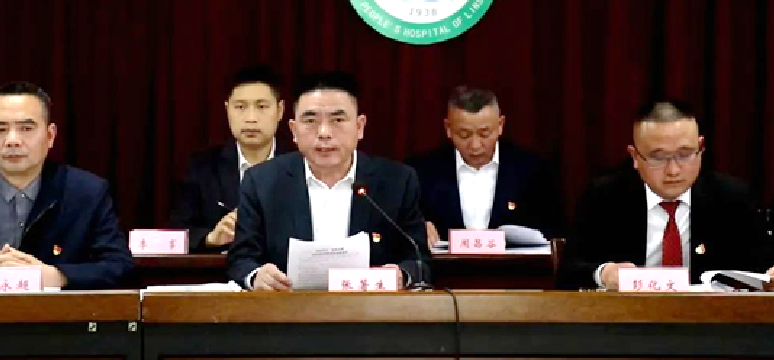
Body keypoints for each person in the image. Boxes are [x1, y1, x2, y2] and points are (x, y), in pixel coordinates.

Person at [0, 81, 133, 291]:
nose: (12, 140)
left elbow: (120, 266)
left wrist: (55, 276)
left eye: (26, 128)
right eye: (0, 129)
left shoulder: (86, 193)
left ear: (50, 136)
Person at [227, 71, 430, 290]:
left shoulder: (396, 181)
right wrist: (257, 276)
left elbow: (419, 259)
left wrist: (402, 275)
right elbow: (241, 259)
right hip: (288, 306)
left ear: (359, 127)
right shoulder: (262, 182)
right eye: (311, 121)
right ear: (293, 130)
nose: (324, 133)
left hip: (370, 308)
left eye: (338, 120)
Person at [558, 100, 774, 290]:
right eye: (658, 158)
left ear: (701, 148)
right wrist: (604, 274)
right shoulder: (604, 197)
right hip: (628, 319)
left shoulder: (732, 197)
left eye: (685, 154)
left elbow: (761, 266)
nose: (673, 170)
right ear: (635, 156)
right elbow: (568, 273)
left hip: (712, 319)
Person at [407, 86, 561, 247]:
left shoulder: (533, 170)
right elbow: (402, 227)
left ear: (500, 125)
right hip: (443, 263)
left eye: (484, 134)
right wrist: (418, 229)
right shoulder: (420, 172)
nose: (475, 145)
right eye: (464, 135)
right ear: (448, 129)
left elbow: (554, 231)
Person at [170, 65, 290, 252]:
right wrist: (211, 237)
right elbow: (177, 232)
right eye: (240, 107)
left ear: (280, 110)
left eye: (262, 107)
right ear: (227, 109)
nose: (251, 118)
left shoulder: (300, 164)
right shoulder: (203, 167)